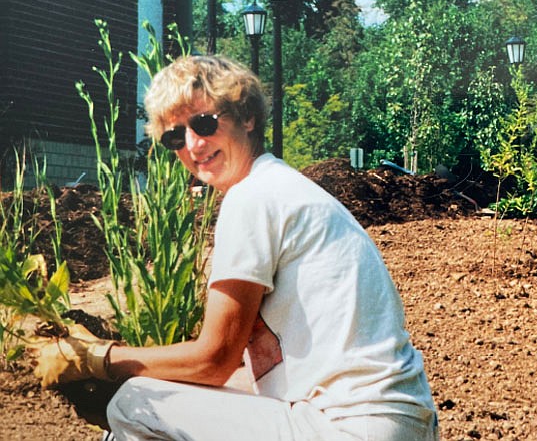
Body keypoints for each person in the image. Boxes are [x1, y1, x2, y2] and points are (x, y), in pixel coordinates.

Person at [35, 55, 439, 441]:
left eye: (204, 123)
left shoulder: (252, 197)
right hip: (395, 422)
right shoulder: (282, 187)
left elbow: (213, 361)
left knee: (135, 400)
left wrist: (98, 360)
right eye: (175, 136)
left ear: (247, 117)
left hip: (348, 424)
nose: (192, 146)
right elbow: (247, 374)